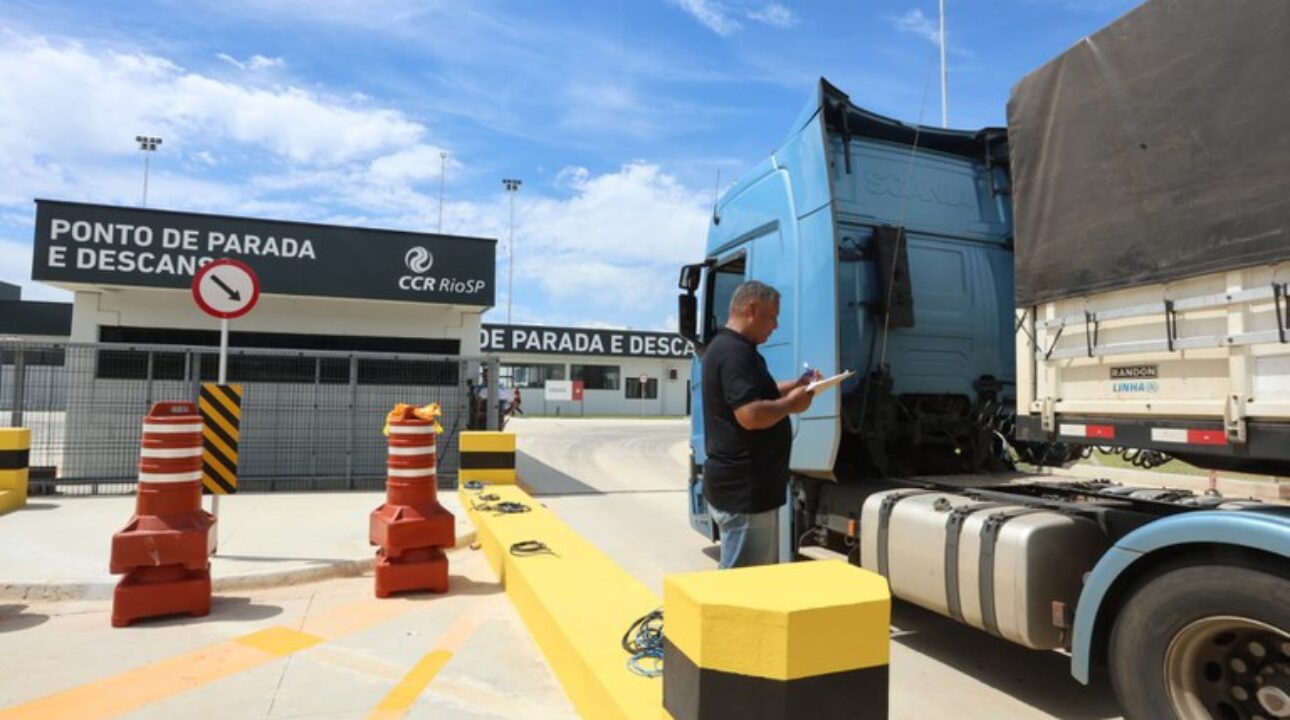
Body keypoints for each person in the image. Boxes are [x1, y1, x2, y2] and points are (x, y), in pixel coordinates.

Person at [702, 280, 819, 569]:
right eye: (772, 316)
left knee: (746, 583)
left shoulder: (731, 347)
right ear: (751, 310)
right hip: (746, 491)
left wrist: (795, 386)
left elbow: (753, 395)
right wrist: (793, 404)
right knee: (745, 588)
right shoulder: (734, 352)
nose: (776, 325)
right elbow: (750, 414)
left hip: (743, 489)